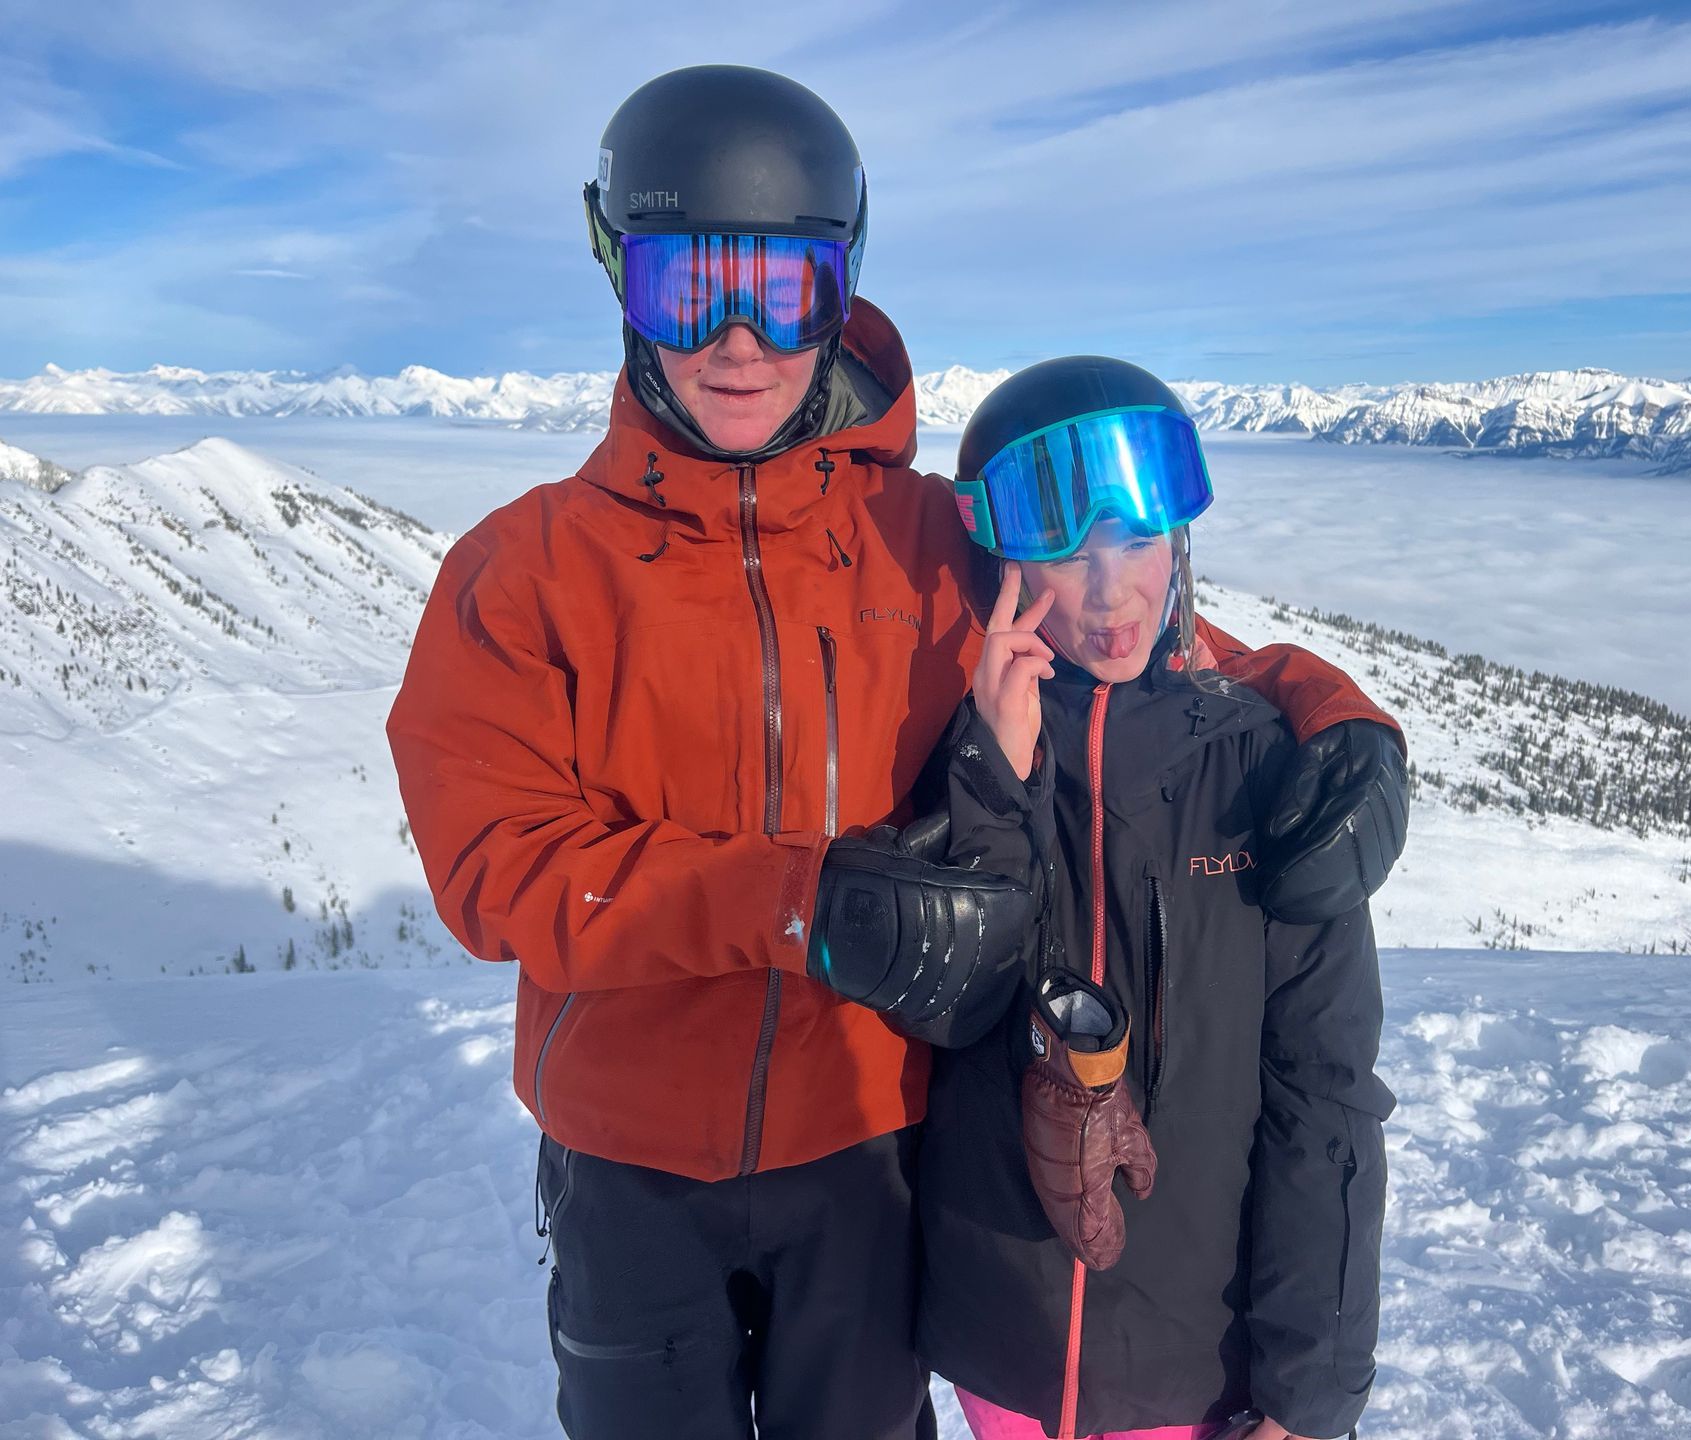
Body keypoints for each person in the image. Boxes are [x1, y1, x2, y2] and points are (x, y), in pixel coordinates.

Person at [386, 66, 1407, 1440]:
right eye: (691, 288)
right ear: (618, 279)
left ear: (838, 290)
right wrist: (800, 904)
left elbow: (1135, 631)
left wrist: (1336, 717)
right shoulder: (523, 572)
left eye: (784, 288)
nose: (739, 340)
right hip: (629, 1154)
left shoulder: (926, 535)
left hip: (871, 1144)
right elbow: (493, 867)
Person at [914, 356, 1396, 1440]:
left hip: (1194, 1364)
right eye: (1064, 549)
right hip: (1001, 1346)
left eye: (1135, 540)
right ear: (998, 559)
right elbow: (944, 1010)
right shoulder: (952, 752)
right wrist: (994, 779)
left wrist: (1307, 1398)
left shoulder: (1270, 778)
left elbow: (1324, 1095)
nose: (1108, 588)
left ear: (1180, 540)